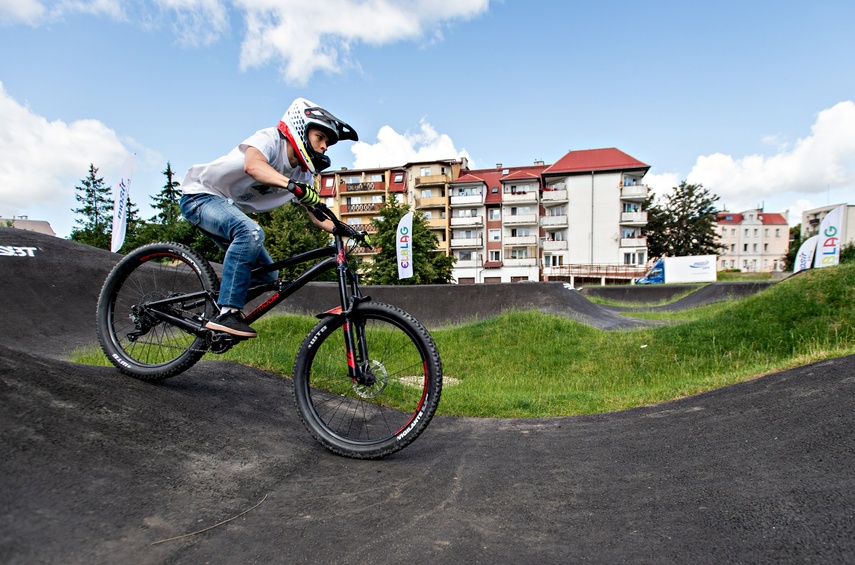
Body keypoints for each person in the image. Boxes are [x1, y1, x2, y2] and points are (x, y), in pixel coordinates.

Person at [179, 98, 358, 338]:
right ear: (301, 129)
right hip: (200, 196)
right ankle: (228, 312)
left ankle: (213, 310)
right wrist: (291, 185)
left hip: (226, 206)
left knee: (267, 274)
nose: (325, 146)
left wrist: (347, 230)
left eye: (328, 143)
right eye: (320, 138)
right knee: (250, 232)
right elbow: (253, 166)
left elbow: (317, 216)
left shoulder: (302, 174)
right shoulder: (271, 139)